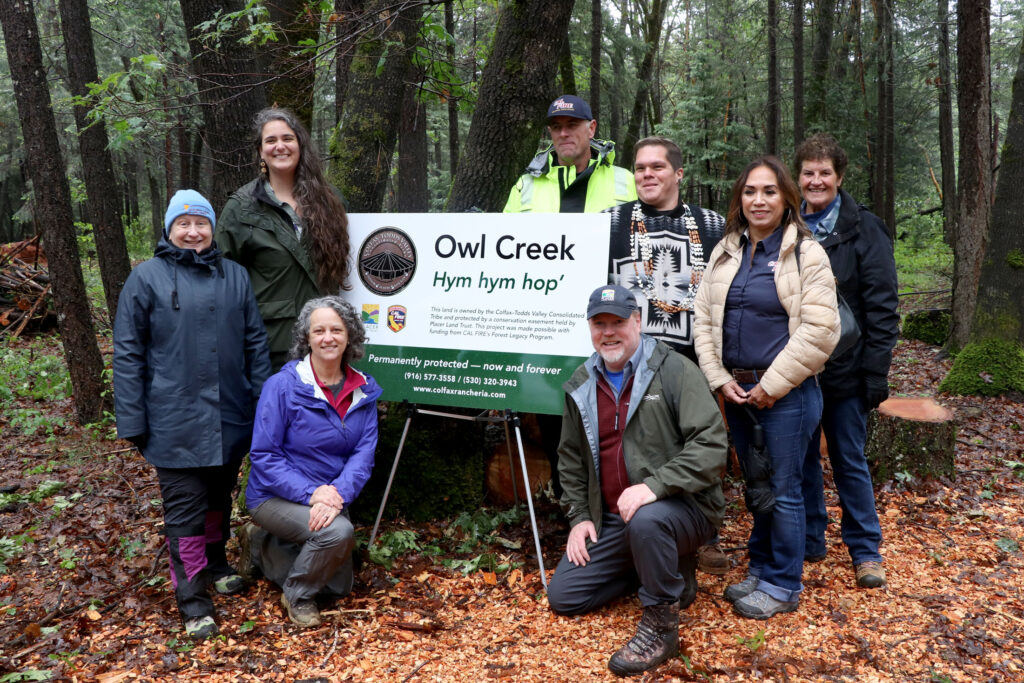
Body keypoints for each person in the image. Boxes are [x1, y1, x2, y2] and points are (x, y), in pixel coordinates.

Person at [113, 189, 272, 640]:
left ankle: (218, 563)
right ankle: (194, 599)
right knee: (184, 511)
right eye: (183, 224)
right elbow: (127, 355)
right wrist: (134, 422)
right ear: (169, 229)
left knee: (219, 499)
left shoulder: (236, 277)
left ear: (211, 228)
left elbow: (255, 345)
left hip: (231, 416)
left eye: (200, 223)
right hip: (173, 420)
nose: (193, 231)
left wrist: (262, 408)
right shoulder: (146, 279)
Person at [547, 284, 728, 676]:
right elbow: (571, 458)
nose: (608, 332)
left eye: (618, 322)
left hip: (685, 509)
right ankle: (667, 571)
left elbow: (712, 447)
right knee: (564, 597)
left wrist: (655, 486)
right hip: (614, 517)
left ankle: (661, 627)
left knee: (648, 520)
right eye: (600, 324)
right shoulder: (582, 381)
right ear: (590, 328)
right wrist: (579, 517)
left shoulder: (675, 369)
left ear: (638, 321)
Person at [693, 156, 840, 619]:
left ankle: (783, 583)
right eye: (751, 191)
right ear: (740, 198)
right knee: (757, 485)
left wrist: (771, 386)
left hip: (787, 395)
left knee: (785, 487)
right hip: (738, 394)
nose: (759, 200)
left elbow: (820, 331)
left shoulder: (806, 254)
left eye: (770, 191)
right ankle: (761, 566)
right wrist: (719, 379)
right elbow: (702, 318)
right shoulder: (726, 250)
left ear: (787, 200)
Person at [606, 136, 730, 577]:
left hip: (691, 359)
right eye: (640, 168)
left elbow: (728, 286)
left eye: (657, 167)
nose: (647, 175)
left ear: (678, 174)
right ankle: (640, 533)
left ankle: (703, 534)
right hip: (632, 360)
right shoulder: (612, 222)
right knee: (642, 447)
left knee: (695, 443)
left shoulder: (712, 225)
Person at [795, 133, 899, 588]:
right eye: (808, 173)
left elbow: (882, 305)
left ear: (839, 176)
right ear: (797, 177)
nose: (816, 181)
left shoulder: (864, 228)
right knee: (800, 458)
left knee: (848, 459)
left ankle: (865, 551)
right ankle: (811, 539)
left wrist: (875, 372)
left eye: (824, 173)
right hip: (797, 368)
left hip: (847, 369)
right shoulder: (788, 225)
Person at [241, 296, 382, 628]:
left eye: (336, 329)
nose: (327, 337)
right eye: (318, 330)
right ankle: (297, 594)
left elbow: (363, 455)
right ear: (306, 337)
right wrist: (312, 493)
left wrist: (335, 495)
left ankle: (262, 544)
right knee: (337, 534)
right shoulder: (282, 387)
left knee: (339, 586)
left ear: (350, 336)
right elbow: (264, 455)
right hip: (273, 495)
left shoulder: (363, 390)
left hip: (330, 496)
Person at [217, 107, 351, 370]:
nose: (280, 146)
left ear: (300, 144)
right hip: (268, 348)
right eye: (271, 140)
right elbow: (221, 281)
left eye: (287, 138)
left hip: (324, 346)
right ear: (260, 151)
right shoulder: (241, 208)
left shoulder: (329, 202)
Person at [503, 94, 636, 213]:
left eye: (572, 125)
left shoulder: (626, 181)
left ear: (591, 128)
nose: (563, 134)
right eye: (556, 127)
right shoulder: (525, 185)